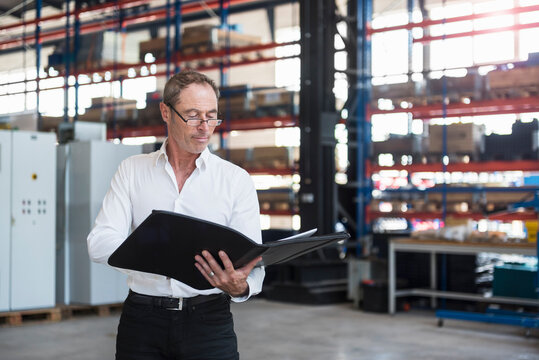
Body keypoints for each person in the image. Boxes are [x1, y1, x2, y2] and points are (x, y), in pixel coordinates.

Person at [87, 69, 265, 360]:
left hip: (209, 323)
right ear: (166, 112)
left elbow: (252, 261)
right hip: (142, 321)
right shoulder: (132, 170)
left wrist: (240, 285)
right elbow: (100, 242)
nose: (204, 127)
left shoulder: (236, 180)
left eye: (212, 116)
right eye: (193, 115)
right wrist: (159, 257)